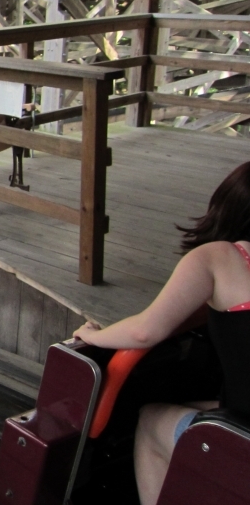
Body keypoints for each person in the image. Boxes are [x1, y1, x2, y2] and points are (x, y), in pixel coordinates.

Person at [74, 160, 250, 505]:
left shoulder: (220, 257)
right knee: (189, 407)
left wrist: (94, 335)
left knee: (151, 420)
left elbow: (145, 331)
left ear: (227, 206)